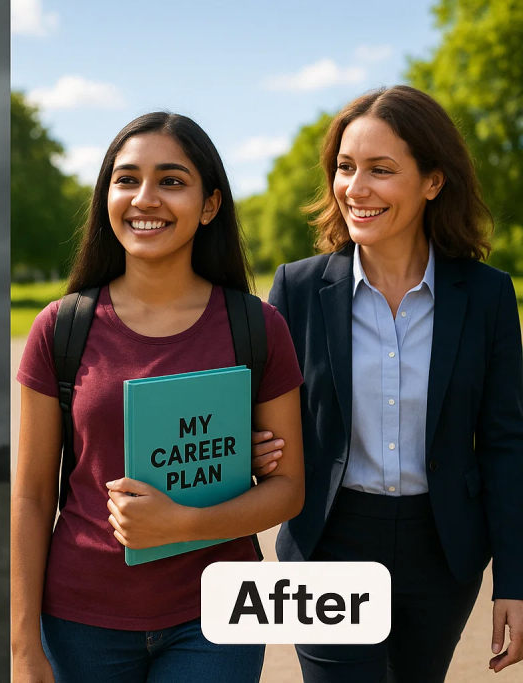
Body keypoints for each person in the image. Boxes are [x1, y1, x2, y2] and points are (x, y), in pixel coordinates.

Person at [12, 112, 306, 683]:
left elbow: (288, 489)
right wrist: (23, 648)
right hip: (79, 620)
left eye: (171, 181)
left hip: (218, 616)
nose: (145, 198)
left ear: (210, 204)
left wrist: (180, 522)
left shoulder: (257, 327)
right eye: (126, 180)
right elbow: (28, 499)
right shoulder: (60, 329)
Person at [266, 85, 523, 681]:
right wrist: (262, 450)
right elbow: (261, 419)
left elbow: (507, 446)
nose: (356, 188)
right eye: (346, 167)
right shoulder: (297, 290)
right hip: (329, 542)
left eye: (381, 170)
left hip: (445, 552)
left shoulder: (486, 297)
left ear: (433, 180)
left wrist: (513, 579)